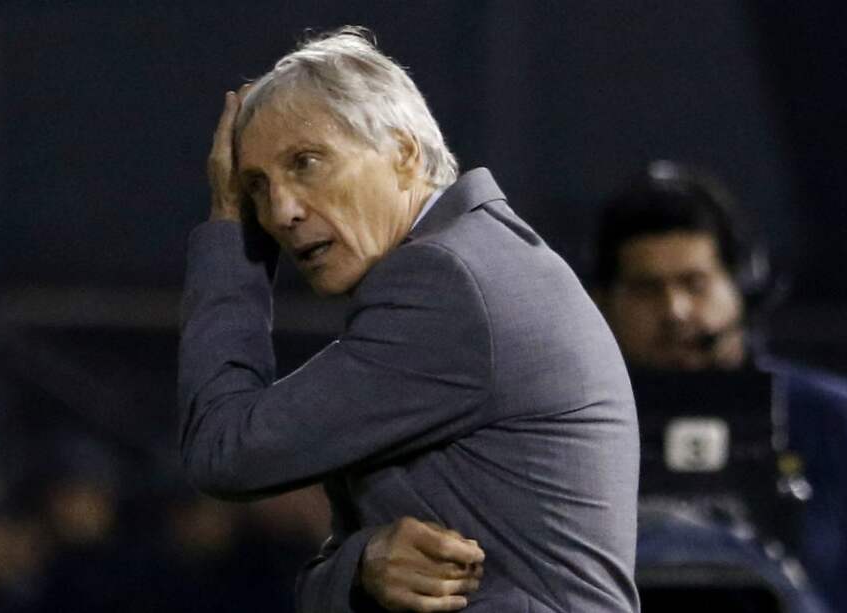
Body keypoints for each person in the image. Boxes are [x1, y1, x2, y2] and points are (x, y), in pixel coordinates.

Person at [178, 27, 640, 612]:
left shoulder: (449, 284)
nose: (281, 212)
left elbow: (224, 449)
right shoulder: (476, 260)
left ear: (404, 152)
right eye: (255, 190)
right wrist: (361, 567)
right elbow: (348, 567)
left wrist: (228, 230)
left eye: (307, 163)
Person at [591, 160, 847, 612]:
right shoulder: (565, 428)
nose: (675, 311)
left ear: (743, 285)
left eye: (695, 283)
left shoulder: (833, 421)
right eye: (647, 289)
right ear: (604, 303)